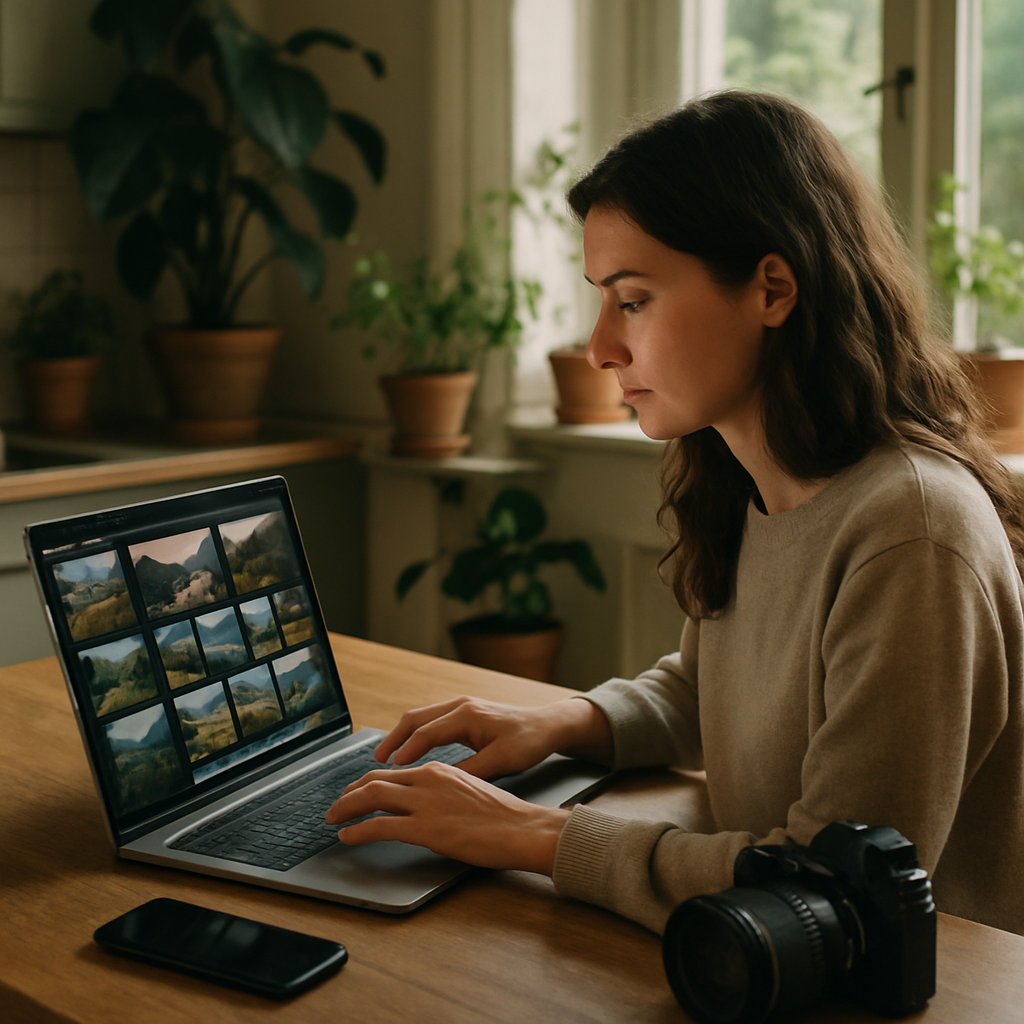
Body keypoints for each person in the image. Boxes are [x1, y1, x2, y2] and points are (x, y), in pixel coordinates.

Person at [326, 91, 1024, 937]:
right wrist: (557, 722)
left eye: (633, 299)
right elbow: (716, 689)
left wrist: (528, 833)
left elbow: (835, 887)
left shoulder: (911, 534)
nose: (598, 348)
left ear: (772, 287)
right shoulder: (753, 479)